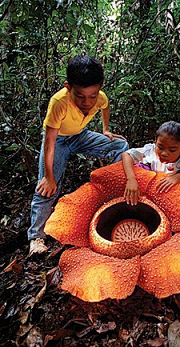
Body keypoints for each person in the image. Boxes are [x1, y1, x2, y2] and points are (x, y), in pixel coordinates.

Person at [28, 55, 128, 247]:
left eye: (92, 96)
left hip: (80, 135)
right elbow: (49, 142)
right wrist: (49, 176)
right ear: (68, 86)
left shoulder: (100, 98)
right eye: (80, 96)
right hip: (58, 141)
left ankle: (115, 190)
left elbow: (105, 107)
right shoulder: (59, 102)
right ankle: (36, 237)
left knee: (120, 146)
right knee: (46, 188)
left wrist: (105, 129)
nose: (87, 102)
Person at [122, 121, 180, 205]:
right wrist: (131, 179)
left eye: (172, 150)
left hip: (177, 193)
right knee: (138, 167)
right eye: (160, 147)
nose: (164, 153)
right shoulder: (150, 150)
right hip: (150, 190)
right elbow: (127, 155)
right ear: (155, 142)